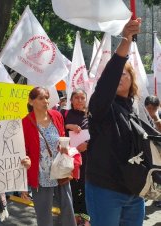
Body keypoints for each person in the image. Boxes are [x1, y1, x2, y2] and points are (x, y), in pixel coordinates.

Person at [85, 19, 144, 226]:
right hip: (105, 190)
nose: (119, 75)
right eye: (116, 72)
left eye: (124, 73)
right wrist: (126, 41)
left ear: (132, 79)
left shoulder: (135, 112)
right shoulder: (102, 106)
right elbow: (106, 83)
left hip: (135, 193)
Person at [22, 87, 77, 226]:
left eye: (47, 97)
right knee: (43, 213)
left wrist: (63, 147)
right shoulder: (25, 123)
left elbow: (62, 136)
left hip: (60, 169)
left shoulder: (56, 115)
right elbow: (24, 151)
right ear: (31, 101)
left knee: (67, 208)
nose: (45, 101)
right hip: (40, 175)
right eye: (40, 98)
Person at [61, 89, 89, 225]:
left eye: (82, 98)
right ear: (71, 100)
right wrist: (68, 125)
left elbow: (98, 134)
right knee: (70, 188)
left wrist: (87, 145)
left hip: (86, 160)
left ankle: (84, 218)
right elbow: (57, 129)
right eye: (76, 97)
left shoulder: (91, 116)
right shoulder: (64, 114)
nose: (79, 100)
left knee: (84, 188)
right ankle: (70, 217)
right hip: (68, 158)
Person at [143, 95, 161, 208]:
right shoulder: (140, 116)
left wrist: (155, 117)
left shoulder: (157, 116)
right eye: (148, 108)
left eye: (153, 108)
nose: (150, 111)